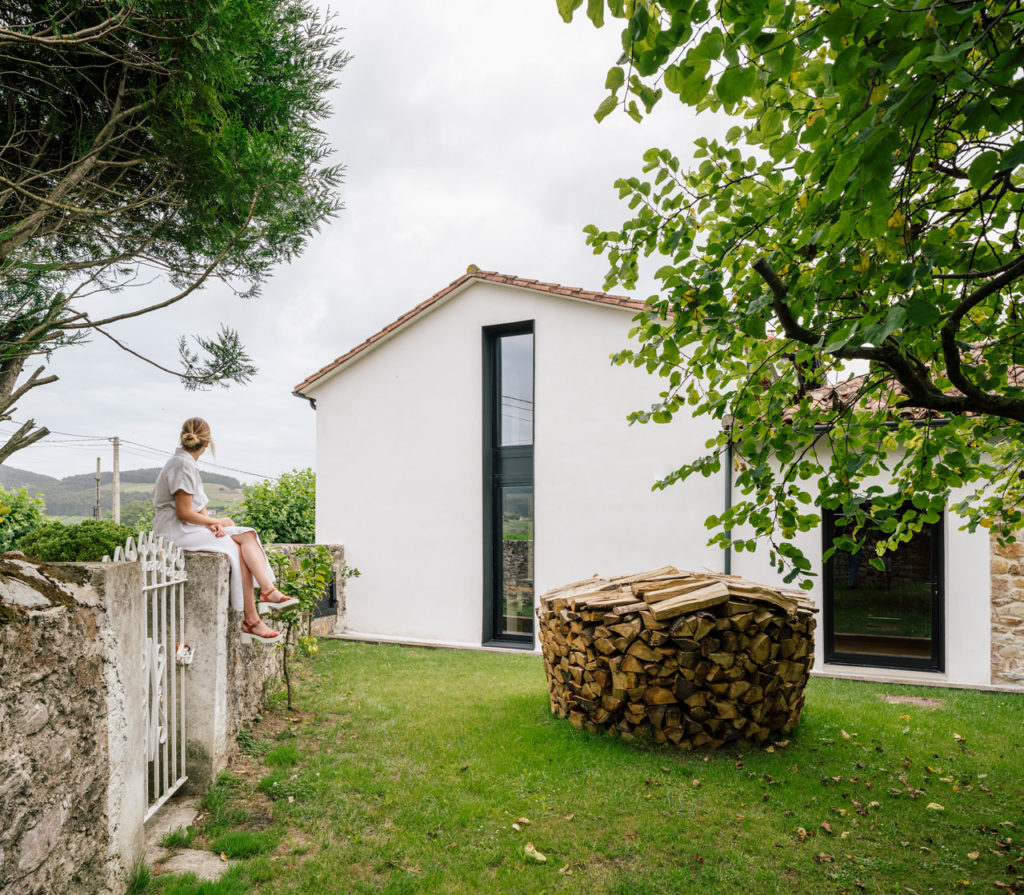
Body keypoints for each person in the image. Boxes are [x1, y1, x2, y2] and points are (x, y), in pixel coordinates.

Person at [152, 417, 297, 644]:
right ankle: (253, 618)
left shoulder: (185, 462)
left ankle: (267, 591)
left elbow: (197, 508)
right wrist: (218, 520)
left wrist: (213, 523)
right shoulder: (182, 465)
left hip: (188, 526)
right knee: (234, 547)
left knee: (247, 535)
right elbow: (182, 512)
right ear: (208, 443)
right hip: (176, 530)